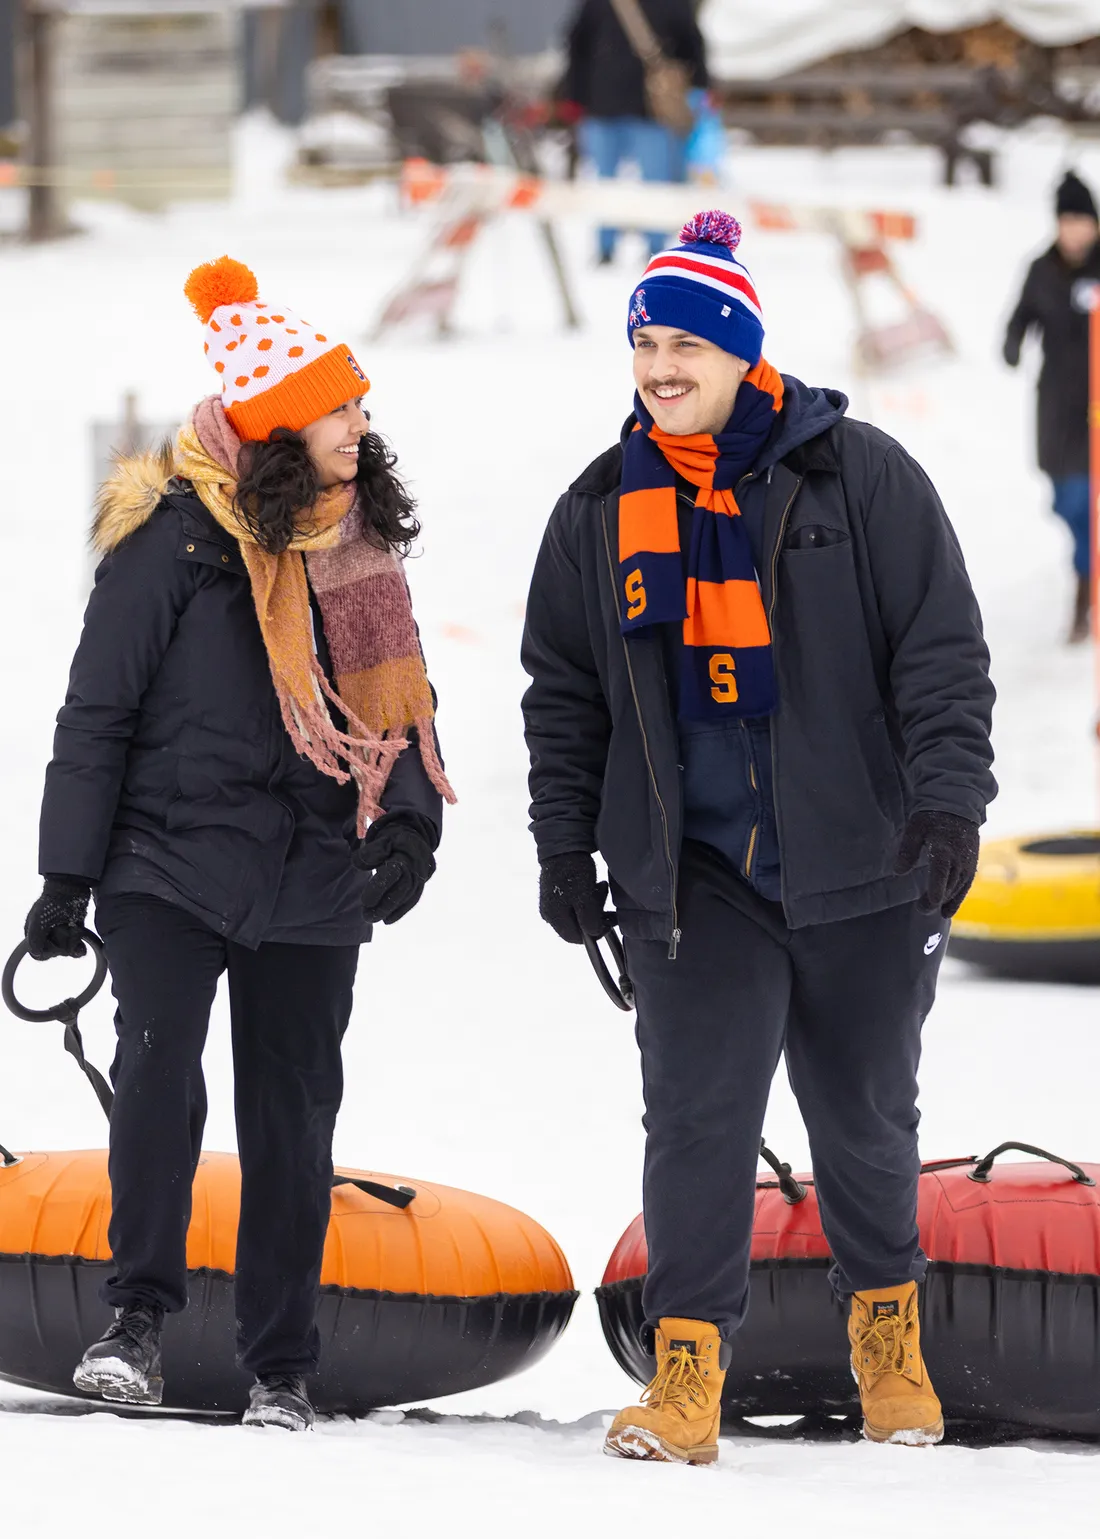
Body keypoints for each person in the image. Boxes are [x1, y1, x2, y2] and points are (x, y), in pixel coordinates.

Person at [522, 211, 996, 1464]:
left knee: (863, 1123)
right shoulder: (595, 510)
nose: (659, 368)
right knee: (695, 1119)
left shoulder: (862, 477)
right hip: (696, 879)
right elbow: (561, 696)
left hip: (862, 864)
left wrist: (948, 803)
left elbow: (940, 657)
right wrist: (563, 847)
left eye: (684, 344)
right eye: (644, 347)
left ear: (739, 353)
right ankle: (686, 1382)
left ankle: (886, 1344)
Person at [24, 256, 454, 1431]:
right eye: (338, 409)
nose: (360, 427)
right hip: (166, 862)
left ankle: (280, 1365)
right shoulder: (169, 541)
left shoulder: (357, 551)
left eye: (360, 406)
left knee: (294, 1111)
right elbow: (96, 710)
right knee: (160, 1081)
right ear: (276, 428)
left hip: (313, 875)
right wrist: (67, 875)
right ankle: (138, 1322)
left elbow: (401, 704)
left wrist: (409, 824)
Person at [1004, 169, 1100, 643]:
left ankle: (1086, 592)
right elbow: (1022, 312)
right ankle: (1090, 565)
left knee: (1086, 499)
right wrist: (1013, 340)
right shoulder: (1042, 268)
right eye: (1068, 220)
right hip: (1057, 400)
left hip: (1098, 403)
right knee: (1065, 498)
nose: (1075, 230)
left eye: (1083, 220)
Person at [560, 0, 708, 263]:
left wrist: (576, 97)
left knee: (648, 182)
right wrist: (575, 96)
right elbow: (577, 45)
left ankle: (651, 247)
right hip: (613, 106)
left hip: (641, 108)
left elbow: (691, 44)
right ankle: (610, 245)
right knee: (610, 182)